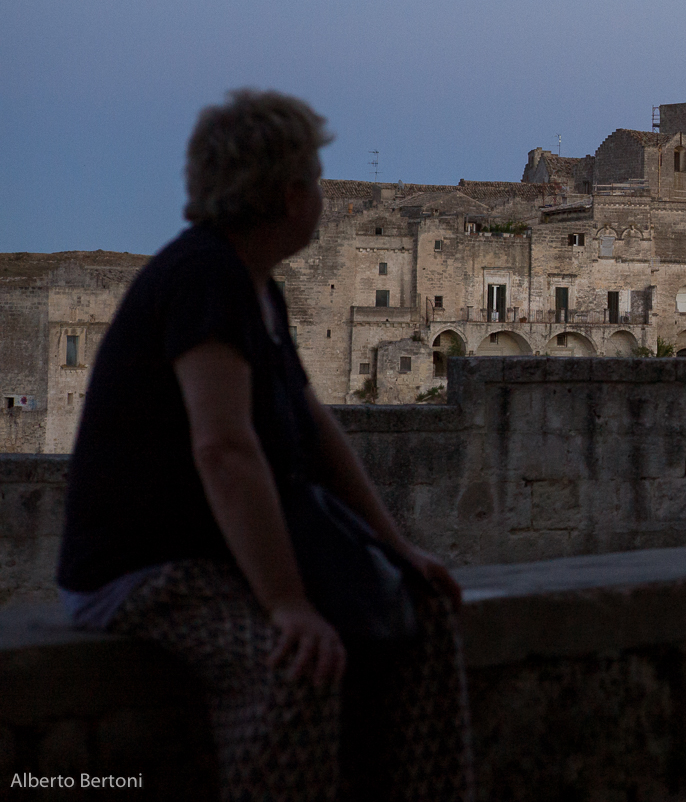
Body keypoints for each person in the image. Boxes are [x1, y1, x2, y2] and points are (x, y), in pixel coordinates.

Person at [57, 90, 474, 802]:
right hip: (146, 567)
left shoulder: (257, 289)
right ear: (288, 195)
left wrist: (395, 548)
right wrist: (287, 603)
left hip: (216, 553)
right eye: (316, 180)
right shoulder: (203, 278)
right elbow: (224, 447)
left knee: (424, 618)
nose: (322, 196)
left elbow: (313, 427)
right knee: (298, 664)